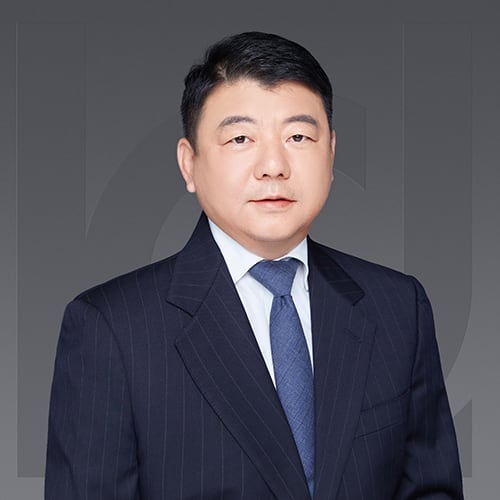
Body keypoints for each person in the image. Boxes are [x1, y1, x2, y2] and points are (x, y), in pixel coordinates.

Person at [45, 32, 463, 499]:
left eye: (298, 136)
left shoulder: (397, 307)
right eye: (241, 138)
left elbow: (432, 490)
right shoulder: (111, 328)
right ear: (189, 163)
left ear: (330, 153)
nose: (273, 165)